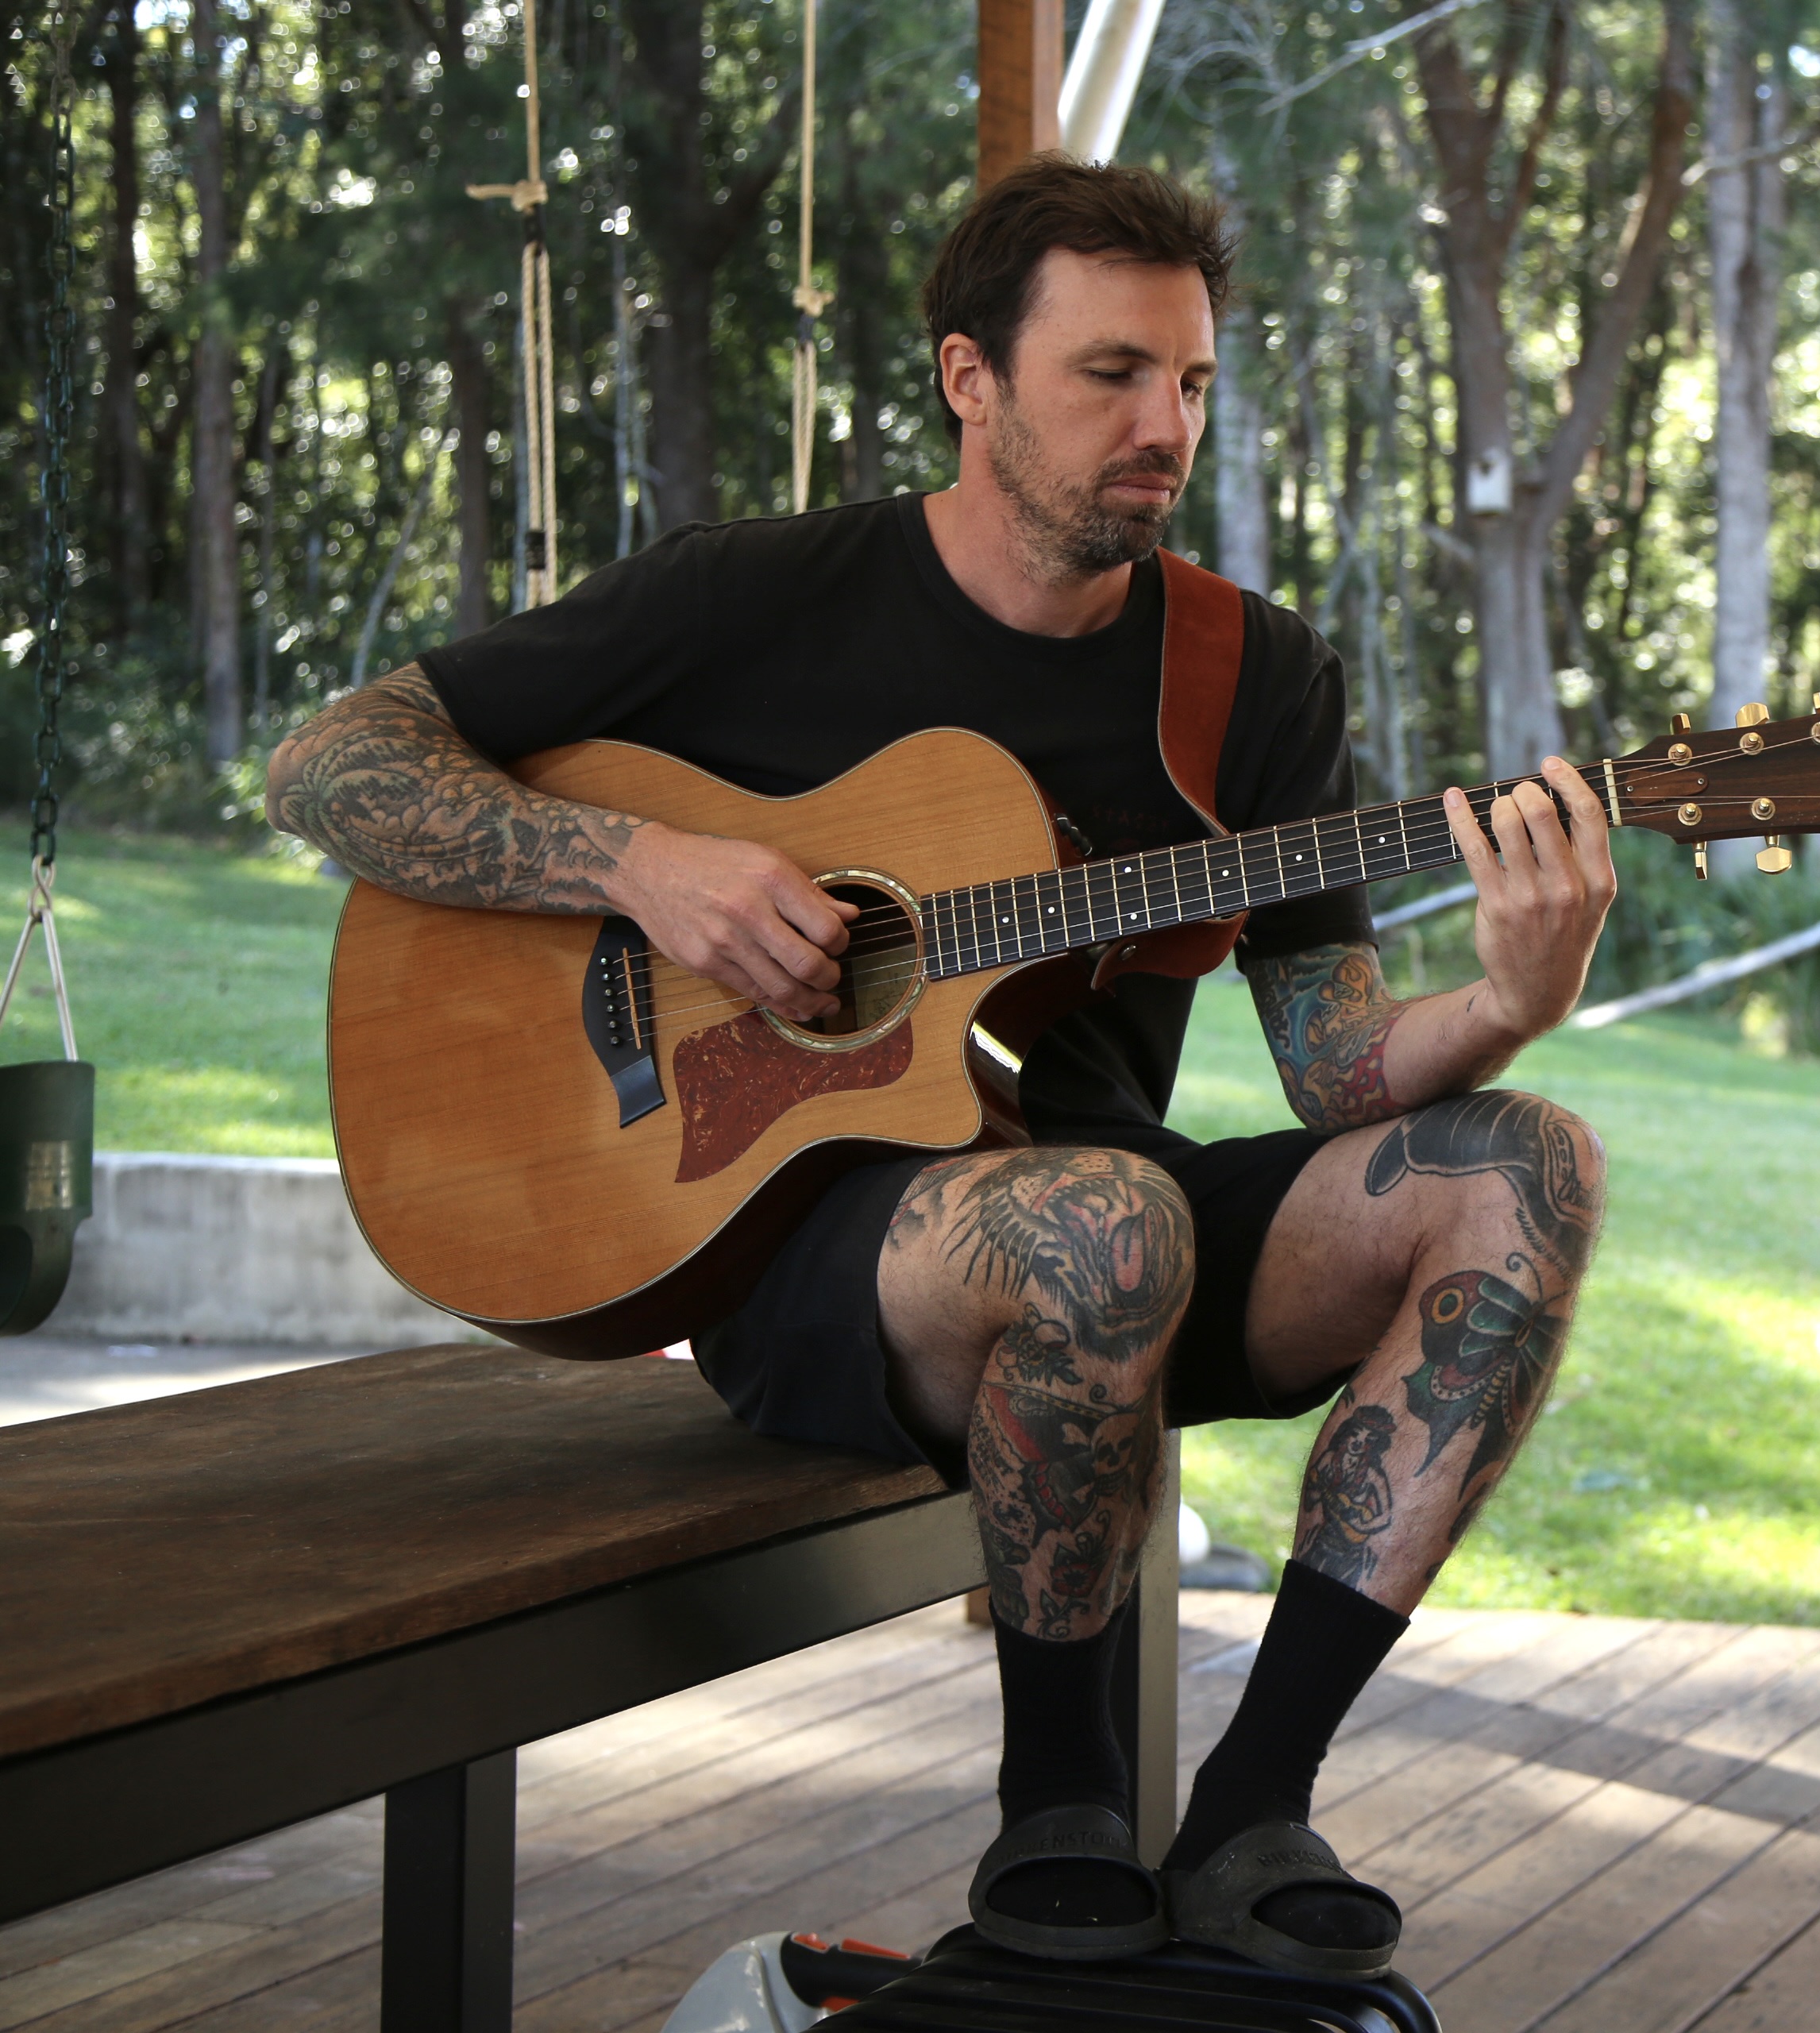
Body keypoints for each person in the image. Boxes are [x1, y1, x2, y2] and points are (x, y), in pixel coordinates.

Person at [263, 156, 1613, 1981]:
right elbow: (335, 762)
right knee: (1098, 1217)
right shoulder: (758, 595)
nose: (1166, 425)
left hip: (1113, 1222)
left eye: (1195, 384)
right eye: (1112, 374)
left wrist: (1508, 1001)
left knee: (1523, 1165)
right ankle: (1057, 1797)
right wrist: (641, 867)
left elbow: (1339, 1063)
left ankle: (1252, 1805)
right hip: (801, 1251)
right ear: (971, 379)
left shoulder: (1254, 676)